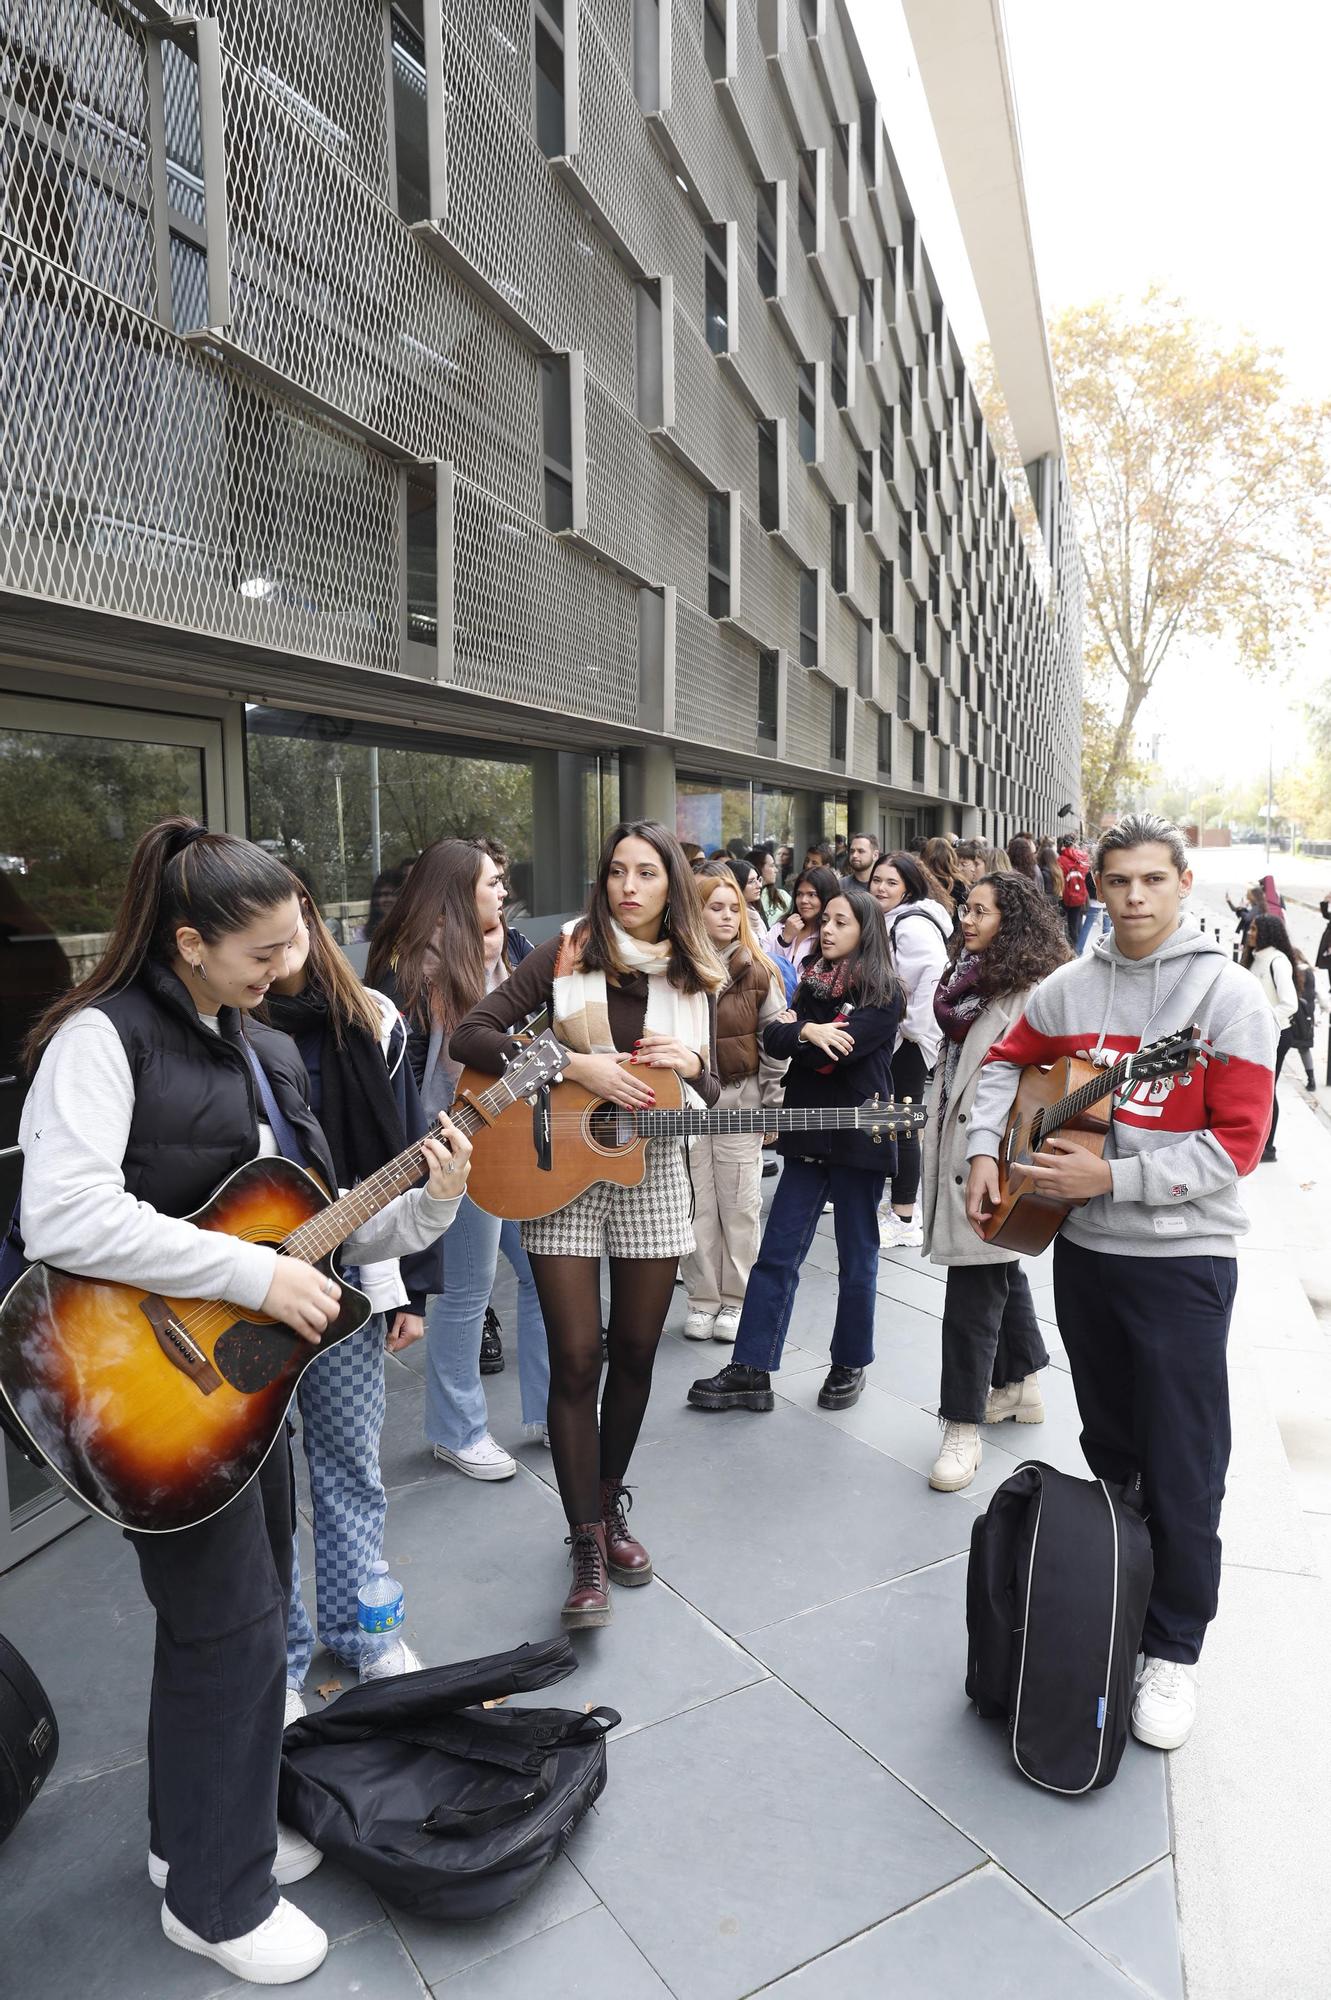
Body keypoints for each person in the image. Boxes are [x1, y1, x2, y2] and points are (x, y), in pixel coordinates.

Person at [14, 820, 470, 1984]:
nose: (286, 966)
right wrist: (249, 1273)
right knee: (234, 1629)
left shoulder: (259, 1044)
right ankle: (218, 1898)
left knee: (232, 1622)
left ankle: (194, 1839)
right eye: (263, 949)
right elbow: (61, 1214)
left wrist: (425, 1206)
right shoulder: (99, 1039)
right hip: (137, 1387)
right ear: (188, 941)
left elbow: (317, 1219)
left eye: (294, 941)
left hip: (238, 1387)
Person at [964, 813, 1276, 1752]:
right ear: (1094, 888)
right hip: (1082, 1254)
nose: (1134, 897)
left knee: (1185, 1460)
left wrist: (1118, 1176)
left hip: (1181, 1262)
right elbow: (1002, 1064)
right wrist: (987, 1148)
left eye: (1151, 880)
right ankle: (1120, 1600)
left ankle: (1173, 1646)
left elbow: (1239, 1143)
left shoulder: (1225, 999)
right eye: (1117, 882)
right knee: (1110, 1445)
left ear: (1183, 884)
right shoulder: (1067, 986)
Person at [450, 821, 724, 1629]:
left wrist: (696, 1067)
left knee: (636, 1352)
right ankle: (584, 1545)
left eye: (645, 873)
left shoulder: (697, 967)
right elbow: (473, 1034)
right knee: (576, 1357)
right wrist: (572, 1064)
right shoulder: (568, 951)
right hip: (559, 1172)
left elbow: (720, 1082)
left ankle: (608, 1505)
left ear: (671, 885)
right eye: (615, 872)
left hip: (653, 1173)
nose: (628, 887)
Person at [267, 886, 441, 1706]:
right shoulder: (221, 1019)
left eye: (291, 918)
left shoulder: (372, 1018)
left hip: (350, 1280)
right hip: (242, 1290)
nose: (279, 944)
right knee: (263, 1492)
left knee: (349, 1464)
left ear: (307, 912)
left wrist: (407, 1291)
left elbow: (402, 1149)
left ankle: (365, 1633)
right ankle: (287, 1659)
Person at [368, 839, 550, 1479]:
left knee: (541, 1276)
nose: (503, 891)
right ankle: (457, 1430)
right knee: (467, 1290)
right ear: (455, 893)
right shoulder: (409, 970)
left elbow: (537, 1029)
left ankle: (552, 1413)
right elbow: (401, 1080)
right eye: (492, 882)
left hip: (518, 1137)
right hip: (455, 1146)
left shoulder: (515, 947)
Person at [687, 884, 903, 1416]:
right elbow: (774, 1041)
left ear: (865, 932)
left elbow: (839, 1057)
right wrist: (807, 1030)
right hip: (807, 1141)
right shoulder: (811, 984)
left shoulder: (886, 993)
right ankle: (751, 1369)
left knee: (858, 1260)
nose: (826, 929)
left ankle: (849, 1363)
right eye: (824, 920)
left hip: (860, 1140)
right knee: (777, 1255)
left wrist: (802, 1034)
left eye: (841, 923)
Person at [920, 872, 1071, 1491]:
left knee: (972, 1289)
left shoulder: (1034, 992)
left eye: (981, 911)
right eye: (966, 909)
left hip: (997, 1154)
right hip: (962, 1146)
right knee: (994, 1265)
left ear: (1014, 921)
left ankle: (962, 1427)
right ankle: (1021, 1383)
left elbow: (1054, 1072)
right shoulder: (965, 984)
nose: (966, 920)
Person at [680, 863, 788, 1341]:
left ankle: (738, 1299)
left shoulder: (758, 970)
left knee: (740, 1205)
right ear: (693, 912)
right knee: (693, 1204)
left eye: (733, 908)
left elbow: (776, 1044)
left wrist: (772, 1106)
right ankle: (702, 1298)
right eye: (714, 907)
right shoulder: (674, 970)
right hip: (682, 1109)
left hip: (740, 1102)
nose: (726, 916)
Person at [867, 852, 953, 1249]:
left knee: (902, 1123)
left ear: (908, 888)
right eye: (877, 880)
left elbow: (933, 973)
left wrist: (911, 1028)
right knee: (890, 1121)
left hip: (908, 1042)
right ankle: (897, 1206)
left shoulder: (910, 924)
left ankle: (904, 1214)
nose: (881, 888)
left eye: (891, 883)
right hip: (900, 1039)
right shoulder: (893, 919)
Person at [1242, 912, 1300, 1160]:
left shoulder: (1278, 961)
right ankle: (1256, 1142)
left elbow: (1290, 1004)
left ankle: (1268, 1148)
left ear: (1267, 933)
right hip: (1254, 1034)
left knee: (1267, 1090)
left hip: (1276, 1035)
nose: (1249, 933)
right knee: (1253, 1090)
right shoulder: (1255, 959)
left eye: (1254, 929)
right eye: (1250, 929)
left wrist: (1261, 1020)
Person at [763, 864, 842, 988]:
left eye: (812, 895)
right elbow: (764, 963)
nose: (803, 900)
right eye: (799, 894)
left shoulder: (830, 935)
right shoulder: (781, 926)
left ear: (826, 897)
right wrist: (784, 940)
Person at [1057, 837, 1093, 952]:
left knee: (1068, 923)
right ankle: (1078, 948)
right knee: (1077, 921)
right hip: (1080, 894)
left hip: (1066, 895)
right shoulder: (1081, 857)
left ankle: (1072, 949)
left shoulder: (1060, 859)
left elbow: (1060, 877)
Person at [752, 846, 793, 927]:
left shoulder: (782, 895)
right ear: (759, 868)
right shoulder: (746, 898)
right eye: (771, 866)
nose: (776, 870)